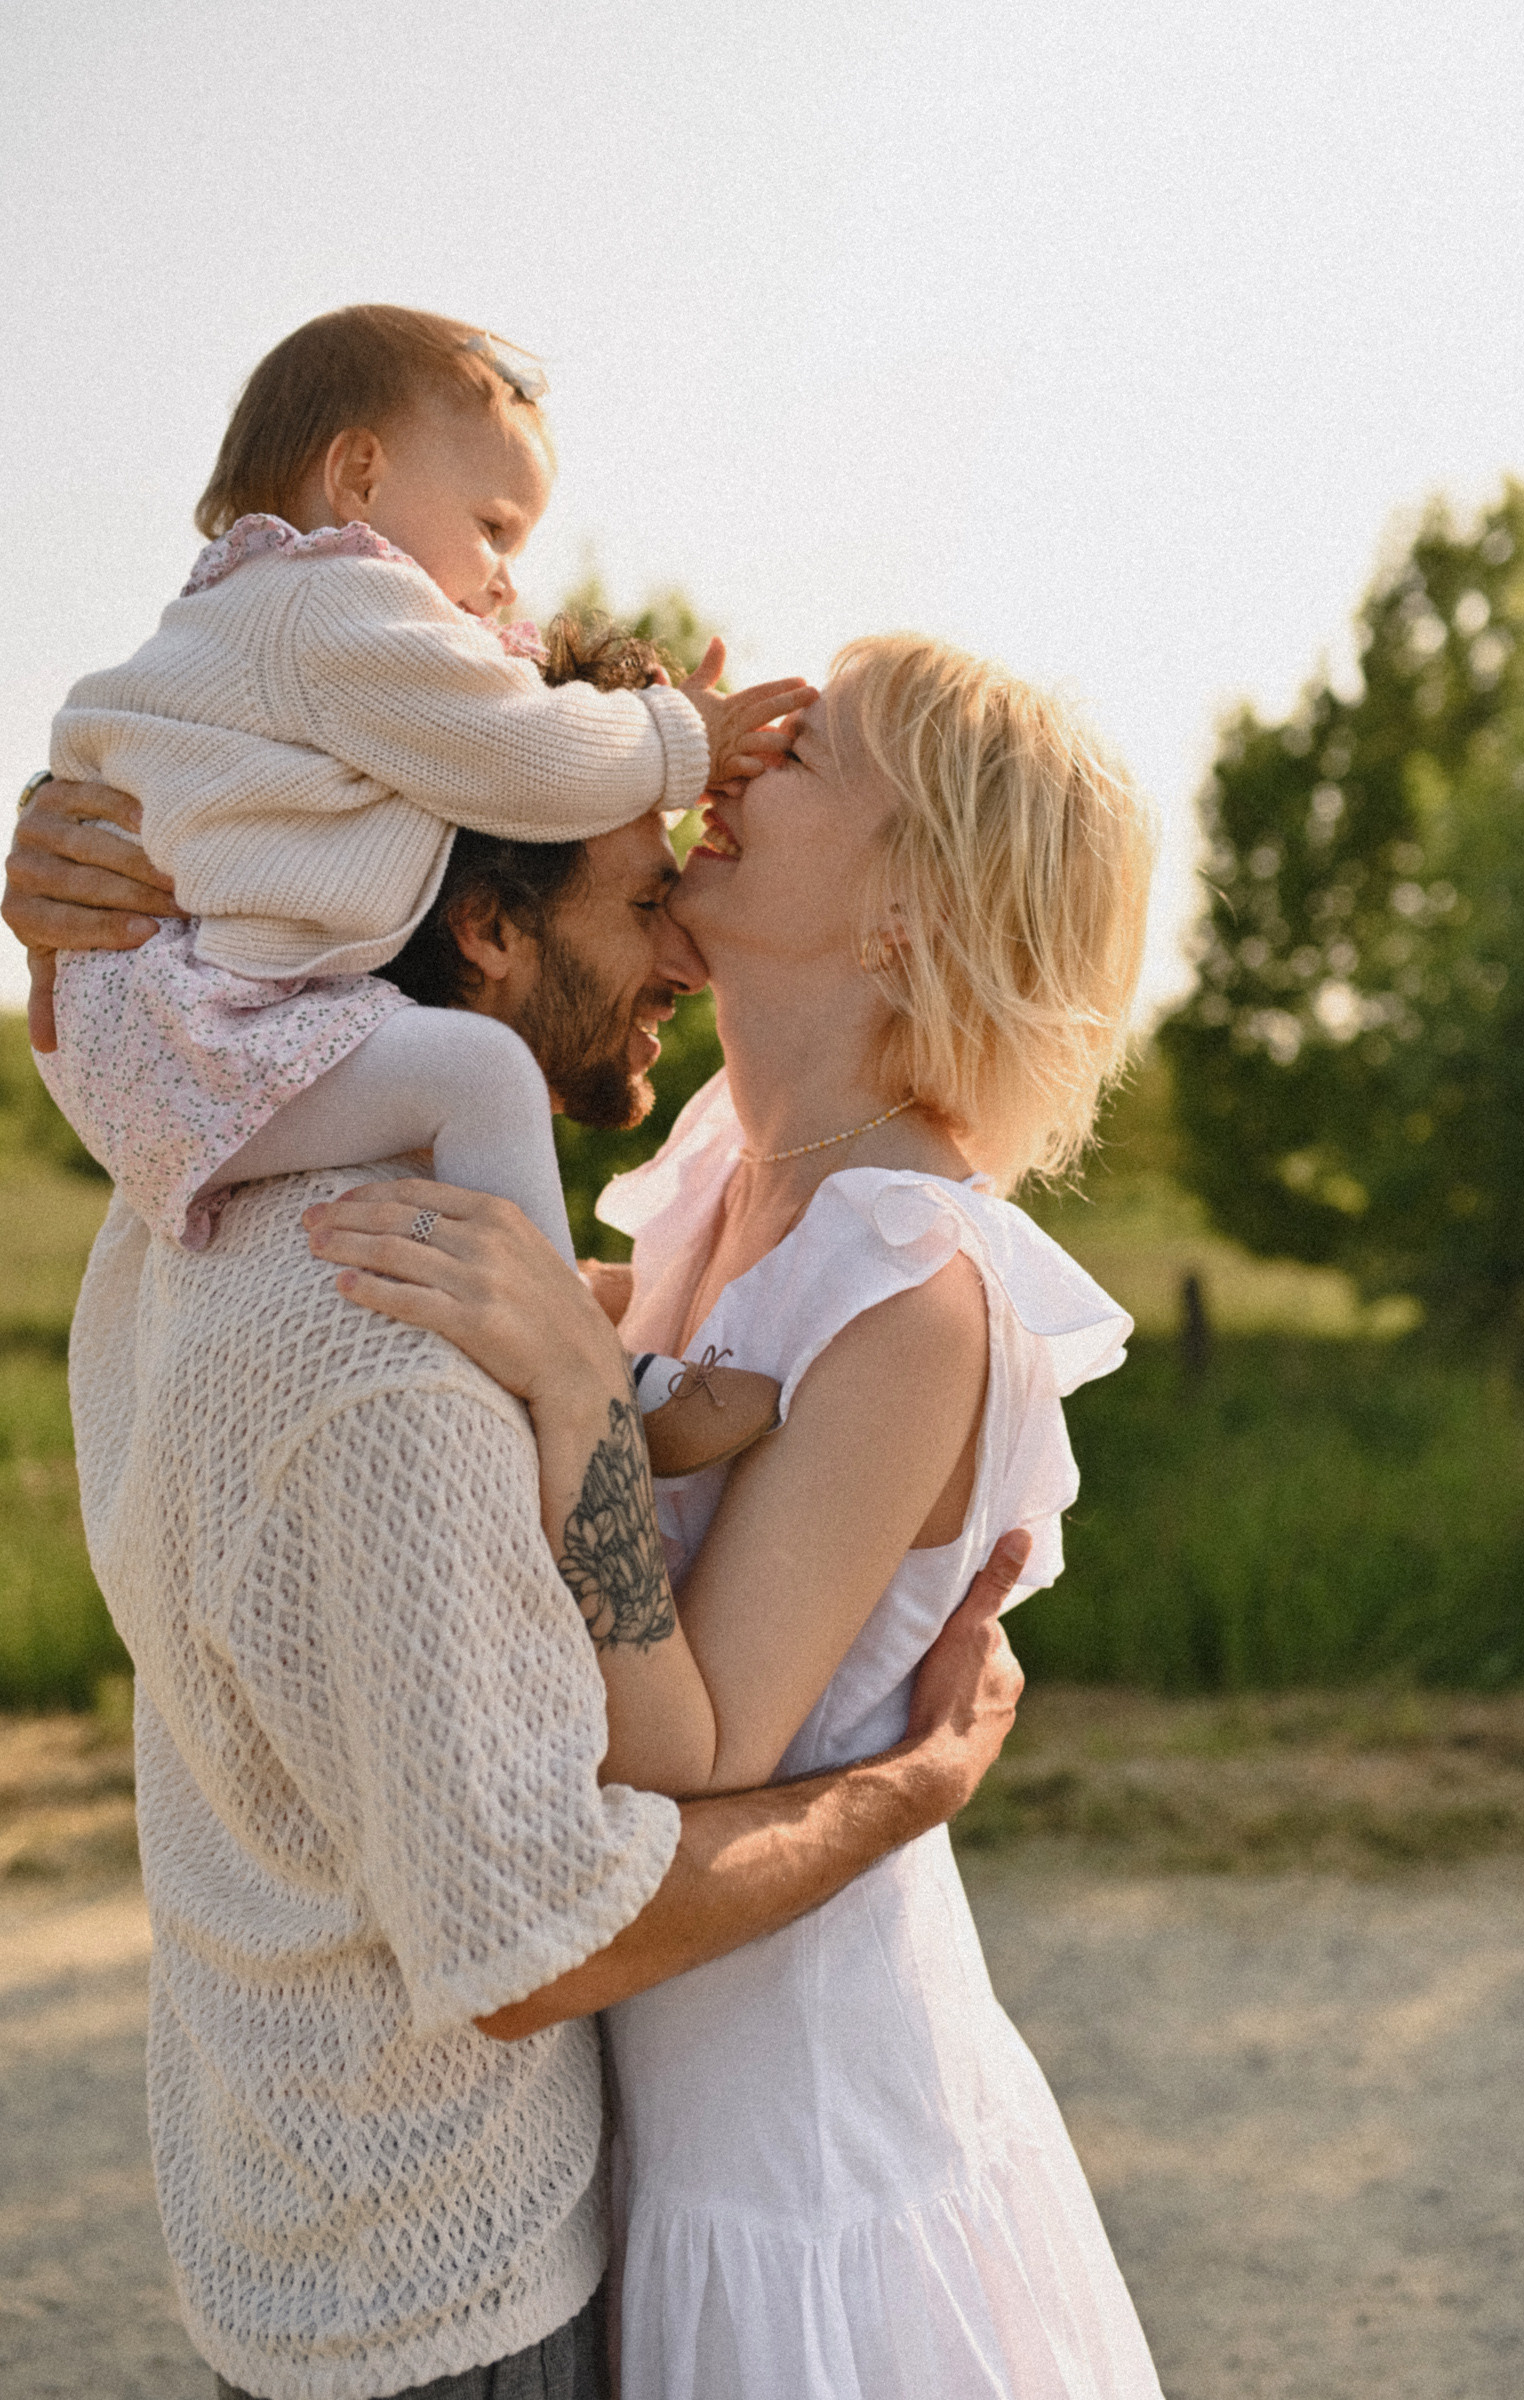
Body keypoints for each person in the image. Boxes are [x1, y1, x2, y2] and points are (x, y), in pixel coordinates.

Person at [4, 744, 1031, 2400]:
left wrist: (100, 891)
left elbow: (432, 739)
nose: (680, 935)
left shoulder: (195, 1204)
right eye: (642, 896)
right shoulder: (401, 1353)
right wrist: (915, 1786)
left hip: (351, 2210)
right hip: (432, 2276)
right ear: (482, 929)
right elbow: (541, 1945)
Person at [302, 635, 1166, 2397]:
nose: (745, 756)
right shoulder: (717, 1167)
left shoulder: (918, 1294)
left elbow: (693, 1751)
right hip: (653, 2137)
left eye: (817, 756)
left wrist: (569, 1384)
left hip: (807, 2180)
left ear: (911, 910)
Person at [37, 301, 805, 1469]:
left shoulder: (257, 629)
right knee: (480, 1069)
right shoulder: (330, 597)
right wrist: (680, 736)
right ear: (356, 476)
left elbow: (470, 705)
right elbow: (512, 748)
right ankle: (589, 1385)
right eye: (495, 529)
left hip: (158, 1026)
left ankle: (549, 1289)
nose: (504, 583)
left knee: (446, 1075)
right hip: (189, 1030)